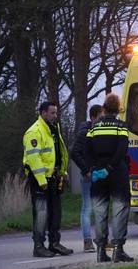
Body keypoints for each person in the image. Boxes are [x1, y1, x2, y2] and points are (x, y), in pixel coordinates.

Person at [85, 93, 133, 263]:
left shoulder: (94, 127)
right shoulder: (121, 126)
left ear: (104, 109)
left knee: (100, 212)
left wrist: (93, 168)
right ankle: (118, 250)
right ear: (118, 109)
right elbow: (122, 149)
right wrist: (111, 167)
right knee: (120, 210)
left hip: (98, 173)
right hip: (117, 172)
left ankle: (100, 251)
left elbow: (87, 150)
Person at [22, 101, 72, 257]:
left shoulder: (53, 129)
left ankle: (54, 243)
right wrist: (42, 180)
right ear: (43, 113)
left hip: (54, 177)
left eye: (56, 113)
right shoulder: (34, 132)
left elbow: (59, 153)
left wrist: (63, 171)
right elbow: (33, 158)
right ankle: (38, 246)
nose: (55, 115)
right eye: (52, 113)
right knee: (41, 213)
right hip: (40, 179)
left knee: (55, 213)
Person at [70, 104, 103, 253]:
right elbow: (74, 153)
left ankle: (102, 240)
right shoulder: (84, 133)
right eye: (100, 118)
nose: (103, 121)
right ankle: (87, 241)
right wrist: (86, 169)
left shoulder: (100, 131)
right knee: (87, 208)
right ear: (93, 117)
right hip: (89, 176)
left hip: (100, 175)